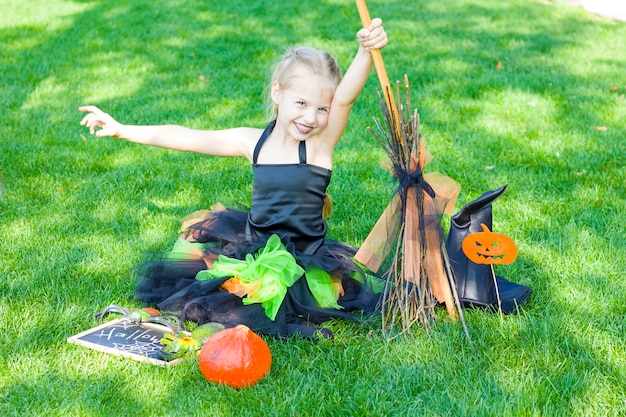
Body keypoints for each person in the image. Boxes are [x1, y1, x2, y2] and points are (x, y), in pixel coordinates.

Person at [79, 18, 388, 339]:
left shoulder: (319, 145)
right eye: (302, 103)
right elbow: (188, 136)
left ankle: (295, 325)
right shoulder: (252, 142)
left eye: (322, 109)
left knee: (277, 297)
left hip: (303, 260)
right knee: (221, 301)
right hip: (253, 252)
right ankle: (286, 323)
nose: (311, 117)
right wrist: (122, 130)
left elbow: (345, 98)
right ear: (278, 93)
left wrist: (366, 52)